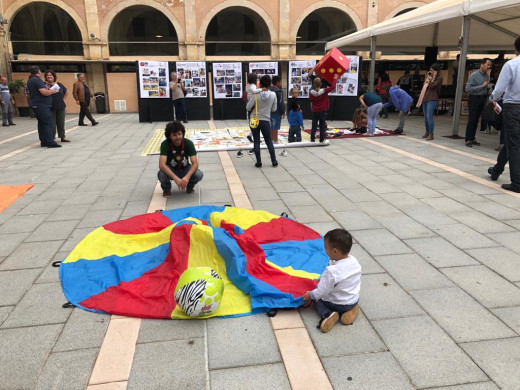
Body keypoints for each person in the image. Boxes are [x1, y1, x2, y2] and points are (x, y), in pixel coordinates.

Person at [302, 228, 361, 333]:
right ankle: (350, 310)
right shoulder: (354, 261)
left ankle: (327, 314)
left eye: (326, 248)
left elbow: (321, 291)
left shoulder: (332, 272)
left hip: (336, 303)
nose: (325, 250)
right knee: (346, 298)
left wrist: (310, 295)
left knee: (317, 300)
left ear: (335, 251)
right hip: (352, 300)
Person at [488, 37, 520, 193]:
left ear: (516, 49)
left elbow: (500, 88)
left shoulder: (512, 65)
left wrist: (493, 98)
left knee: (514, 143)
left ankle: (517, 182)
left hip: (513, 107)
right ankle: (496, 170)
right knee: (511, 141)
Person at [158, 121, 203, 197]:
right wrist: (176, 178)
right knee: (161, 174)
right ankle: (166, 189)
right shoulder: (165, 144)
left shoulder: (188, 143)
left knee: (199, 174)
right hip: (171, 169)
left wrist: (187, 177)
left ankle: (189, 187)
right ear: (169, 136)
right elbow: (162, 165)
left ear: (183, 134)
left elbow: (195, 164)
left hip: (185, 168)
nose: (178, 137)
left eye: (179, 134)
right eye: (174, 135)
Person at [246, 75, 278, 168]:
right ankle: (274, 160)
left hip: (254, 119)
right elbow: (274, 109)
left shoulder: (256, 94)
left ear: (259, 84)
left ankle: (259, 162)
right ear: (270, 84)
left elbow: (248, 107)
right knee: (268, 141)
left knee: (256, 140)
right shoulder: (273, 95)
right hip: (266, 120)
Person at [26, 66, 61, 148]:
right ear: (38, 72)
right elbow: (44, 92)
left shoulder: (30, 80)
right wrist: (52, 90)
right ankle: (50, 142)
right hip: (41, 105)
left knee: (41, 124)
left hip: (36, 105)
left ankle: (44, 141)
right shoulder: (37, 80)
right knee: (47, 123)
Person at [464, 58, 492, 147]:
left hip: (482, 98)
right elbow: (468, 89)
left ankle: (473, 138)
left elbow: (485, 87)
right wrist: (481, 86)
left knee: (477, 119)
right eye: (487, 65)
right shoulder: (474, 75)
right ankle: (468, 138)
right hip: (474, 98)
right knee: (472, 119)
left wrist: (488, 87)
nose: (489, 67)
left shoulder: (486, 76)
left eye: (490, 65)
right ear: (482, 64)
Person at [417, 63, 443, 141]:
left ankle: (431, 134)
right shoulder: (429, 78)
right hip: (425, 98)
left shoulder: (439, 78)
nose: (430, 72)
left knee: (429, 116)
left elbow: (432, 86)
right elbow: (425, 86)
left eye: (432, 70)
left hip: (432, 98)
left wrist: (433, 77)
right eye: (430, 70)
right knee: (425, 117)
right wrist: (427, 80)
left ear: (436, 71)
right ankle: (427, 131)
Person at [309, 75, 338, 143]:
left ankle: (312, 138)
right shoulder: (324, 91)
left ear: (313, 84)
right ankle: (321, 139)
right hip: (322, 110)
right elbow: (333, 87)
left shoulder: (311, 92)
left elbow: (311, 99)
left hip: (315, 110)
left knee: (314, 125)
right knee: (322, 125)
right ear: (321, 84)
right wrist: (335, 79)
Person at [44, 70, 70, 143]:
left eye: (50, 75)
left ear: (54, 76)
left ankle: (62, 137)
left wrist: (64, 99)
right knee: (52, 123)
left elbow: (66, 91)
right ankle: (52, 138)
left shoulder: (59, 84)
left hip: (61, 106)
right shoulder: (44, 85)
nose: (49, 76)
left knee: (61, 122)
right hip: (50, 107)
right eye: (47, 75)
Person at [269, 75, 285, 143]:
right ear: (277, 83)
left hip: (269, 111)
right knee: (276, 127)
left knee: (271, 126)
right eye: (280, 82)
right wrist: (283, 112)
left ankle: (271, 139)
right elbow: (281, 103)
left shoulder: (269, 90)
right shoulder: (279, 92)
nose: (281, 84)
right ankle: (275, 140)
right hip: (277, 111)